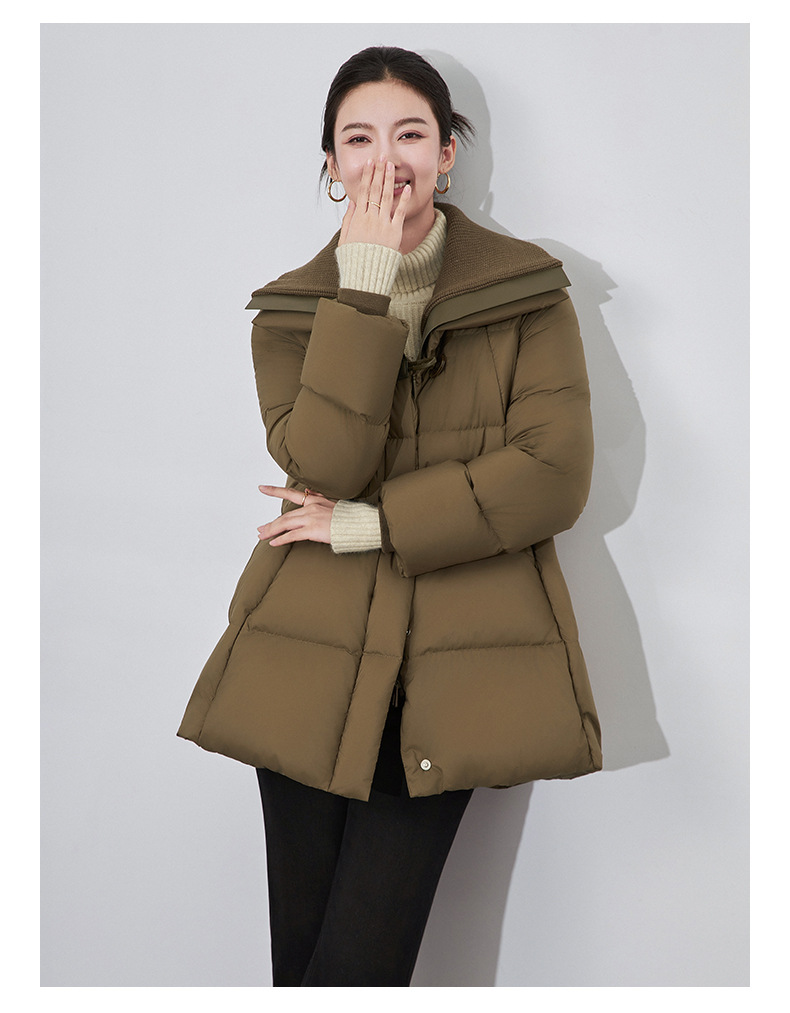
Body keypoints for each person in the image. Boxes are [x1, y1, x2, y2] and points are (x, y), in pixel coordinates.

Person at [178, 45, 602, 987]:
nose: (386, 159)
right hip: (303, 662)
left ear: (447, 152)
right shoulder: (289, 313)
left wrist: (367, 525)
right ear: (331, 164)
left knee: (359, 972)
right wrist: (362, 285)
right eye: (358, 139)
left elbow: (554, 475)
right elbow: (324, 462)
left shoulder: (528, 293)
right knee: (302, 972)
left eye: (410, 134)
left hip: (456, 671)